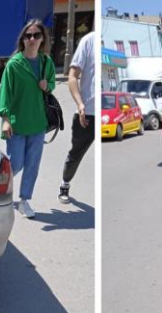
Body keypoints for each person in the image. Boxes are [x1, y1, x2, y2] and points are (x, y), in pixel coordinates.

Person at [0, 19, 55, 219]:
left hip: (38, 123)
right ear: (22, 39)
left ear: (42, 39)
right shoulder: (14, 65)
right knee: (17, 163)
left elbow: (53, 85)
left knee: (32, 164)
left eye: (36, 35)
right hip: (17, 123)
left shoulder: (46, 62)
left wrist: (46, 86)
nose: (32, 39)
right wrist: (5, 118)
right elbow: (5, 92)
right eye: (28, 35)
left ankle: (24, 200)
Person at [59, 31, 94, 204]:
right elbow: (72, 77)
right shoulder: (88, 41)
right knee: (76, 153)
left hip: (107, 114)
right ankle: (65, 183)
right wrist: (80, 104)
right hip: (88, 114)